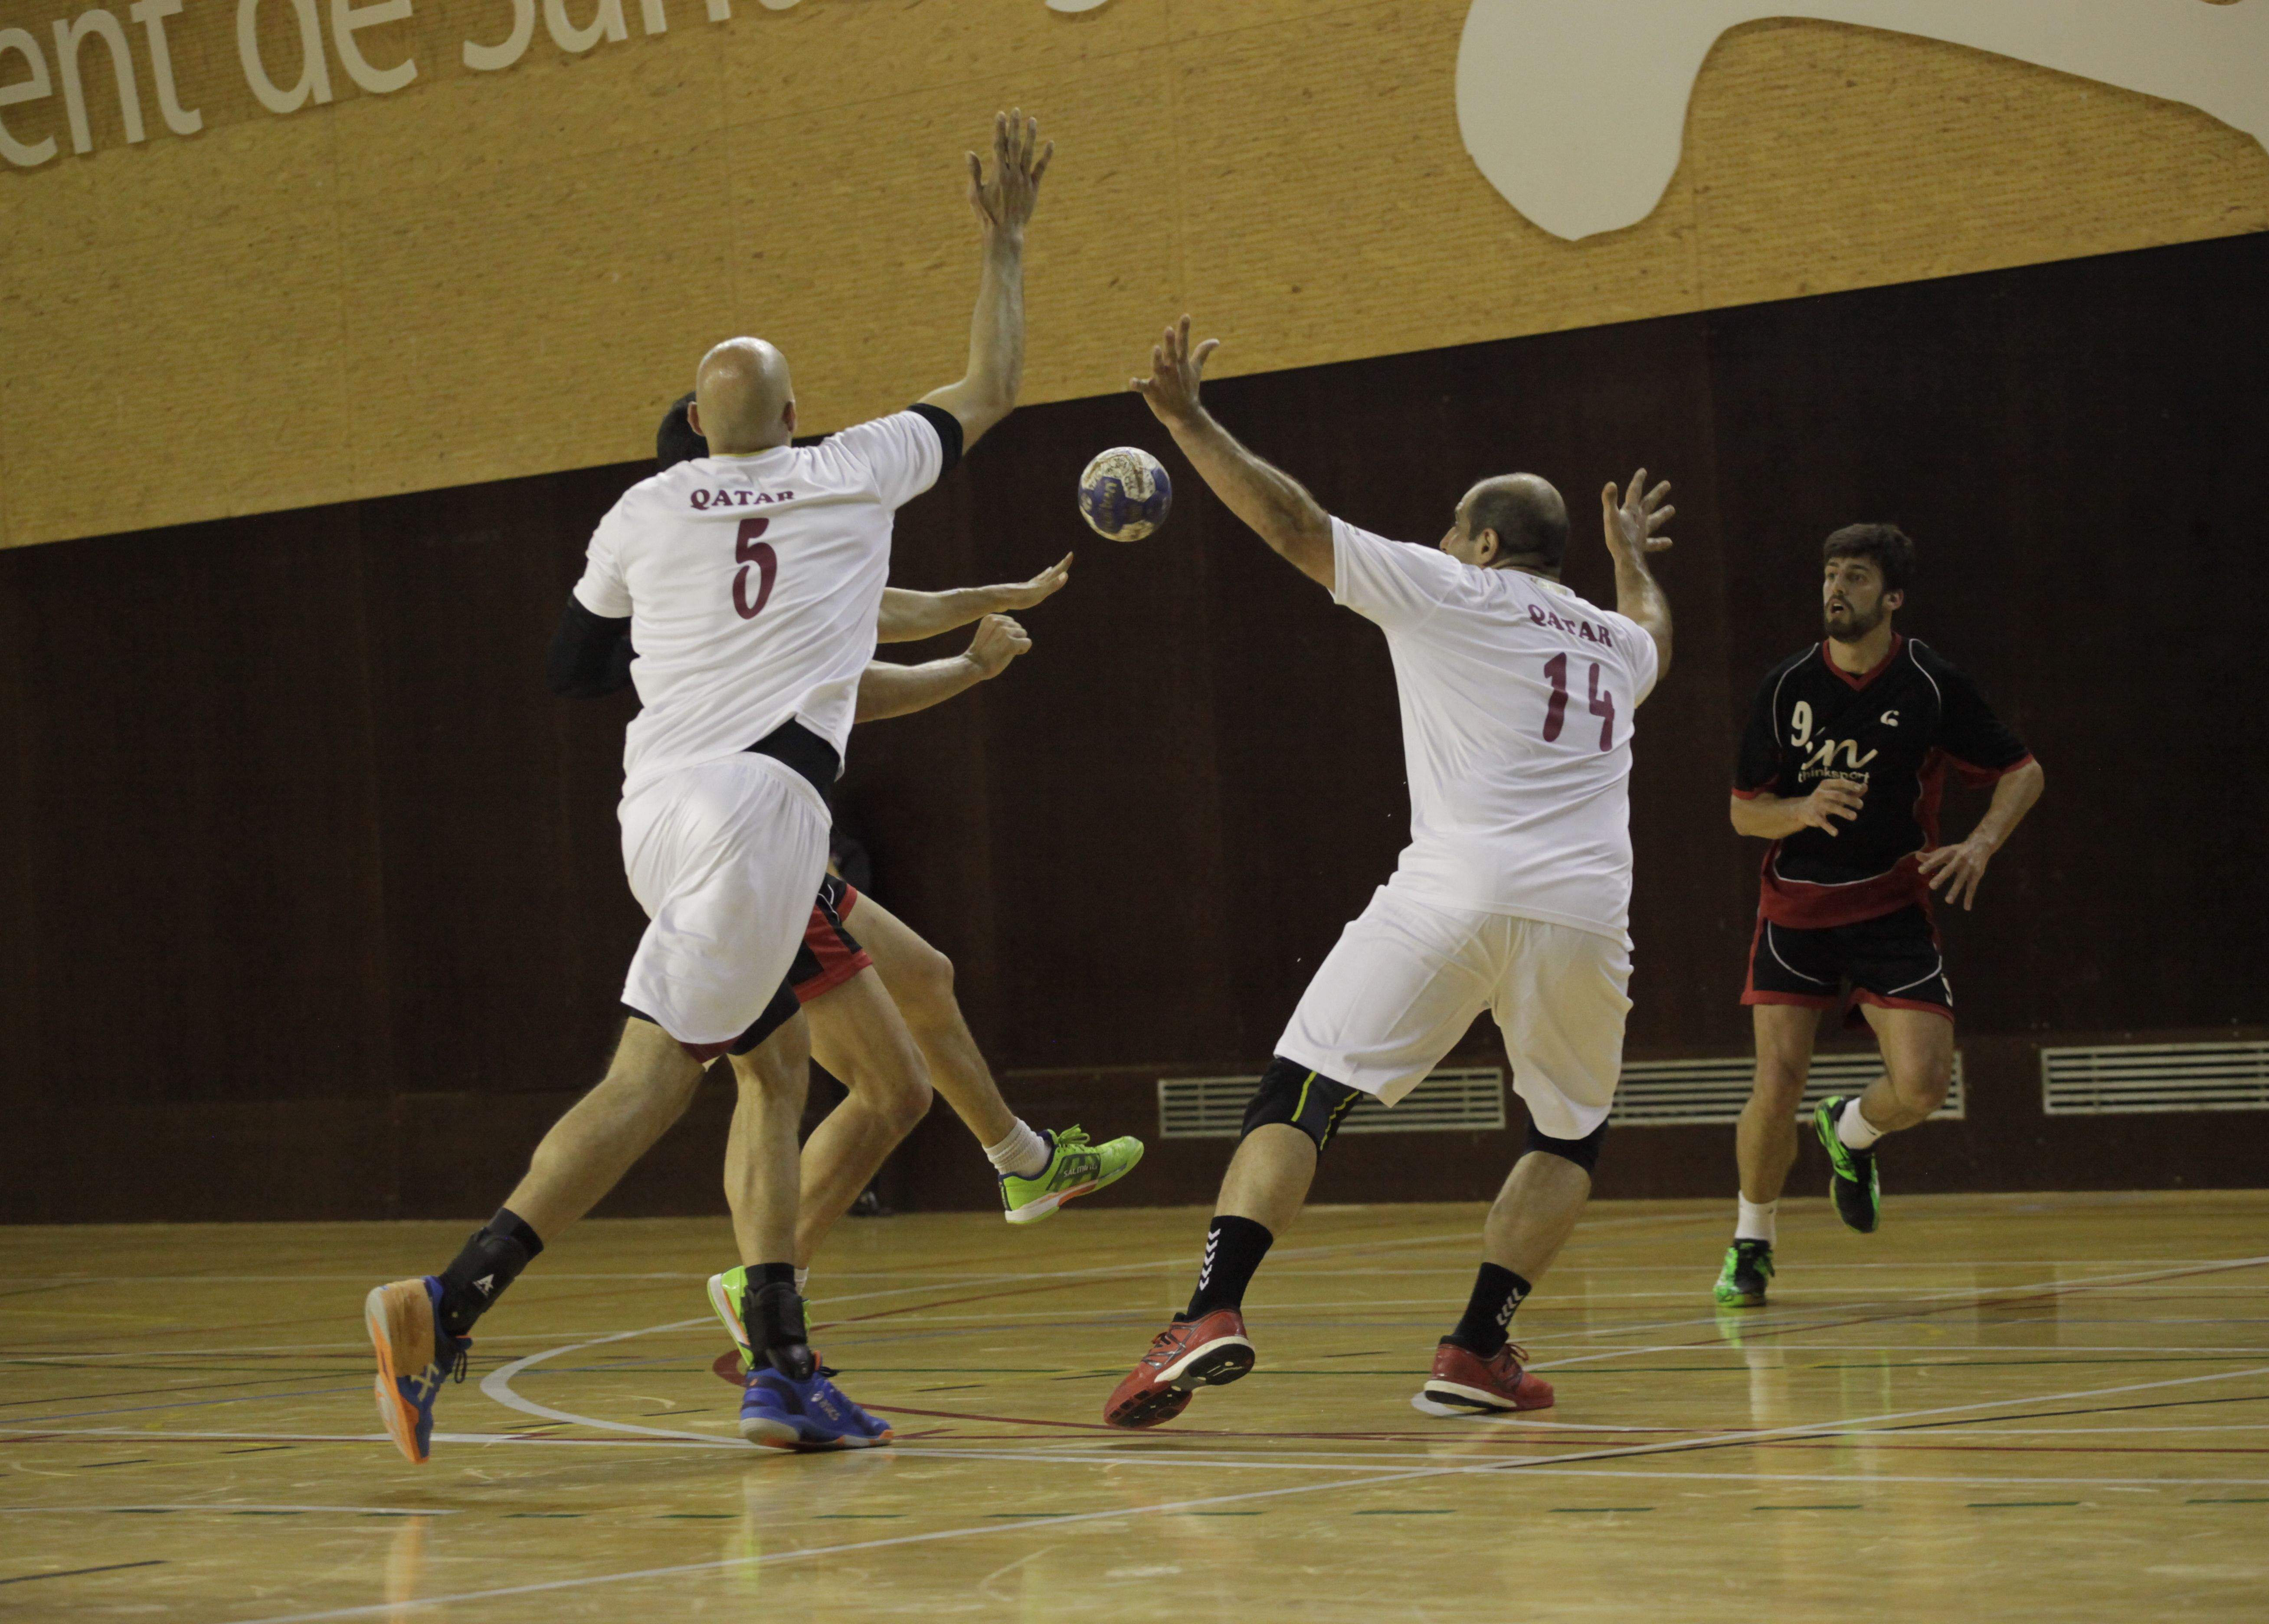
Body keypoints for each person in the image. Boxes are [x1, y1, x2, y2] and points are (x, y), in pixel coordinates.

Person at [362, 111, 1051, 1461]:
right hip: (757, 816)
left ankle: (780, 1371)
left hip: (656, 812)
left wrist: (701, 631)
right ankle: (444, 1305)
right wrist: (1008, 241)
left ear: (693, 427)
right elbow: (993, 385)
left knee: (778, 1071)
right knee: (650, 1085)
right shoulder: (851, 471)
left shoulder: (643, 510)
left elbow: (574, 665)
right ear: (794, 419)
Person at [1101, 318, 1680, 1427]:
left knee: (1303, 1092)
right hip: (1584, 916)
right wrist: (1632, 564)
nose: (1440, 540)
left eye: (1453, 529)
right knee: (1568, 1134)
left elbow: (1293, 524)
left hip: (1452, 893)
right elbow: (1653, 622)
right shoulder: (1614, 645)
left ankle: (1210, 1311)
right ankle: (1476, 1347)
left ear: (1485, 546)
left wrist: (1189, 422)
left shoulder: (1454, 590)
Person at [646, 394, 1145, 1283]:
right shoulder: (723, 582)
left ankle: (1024, 1164)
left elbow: (870, 609)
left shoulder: (740, 561)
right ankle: (768, 1285)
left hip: (756, 849)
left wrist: (992, 597)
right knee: (888, 1092)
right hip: (744, 858)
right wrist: (970, 667)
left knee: (924, 978)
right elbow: (858, 688)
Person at [1715, 523, 2043, 1308]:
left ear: (1892, 598)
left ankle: (1851, 1130)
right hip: (1796, 908)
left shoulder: (1929, 682)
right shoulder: (1788, 685)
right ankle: (1751, 1241)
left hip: (1891, 906)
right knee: (1776, 1083)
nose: (1837, 588)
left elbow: (2024, 771)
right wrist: (1801, 808)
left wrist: (1982, 843)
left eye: (1856, 577)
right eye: (1831, 574)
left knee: (1924, 1087)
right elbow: (1743, 813)